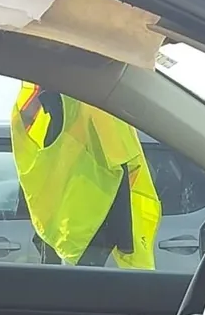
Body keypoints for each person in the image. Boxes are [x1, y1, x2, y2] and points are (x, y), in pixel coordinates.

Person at [9, 83, 160, 267]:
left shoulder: (80, 88)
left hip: (84, 208)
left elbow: (26, 114)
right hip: (89, 204)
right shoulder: (107, 92)